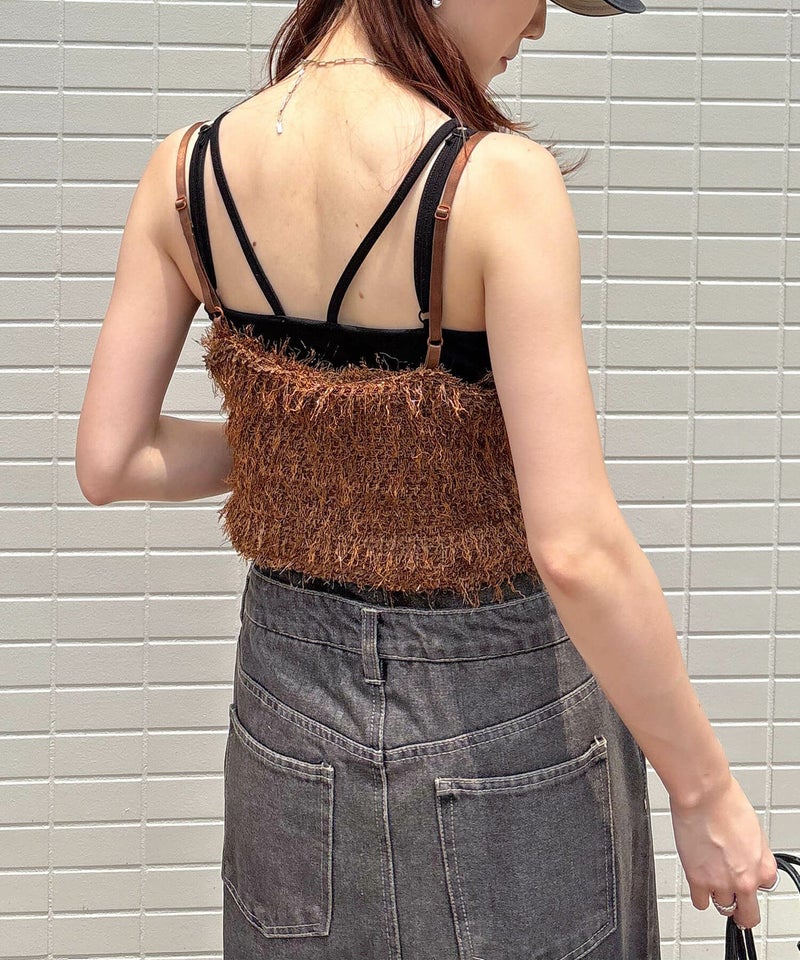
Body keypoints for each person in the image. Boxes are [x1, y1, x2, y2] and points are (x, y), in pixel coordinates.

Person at [75, 0, 780, 956]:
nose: (538, 26)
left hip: (287, 698)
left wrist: (327, 446)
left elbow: (111, 460)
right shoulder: (498, 181)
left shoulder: (186, 170)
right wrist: (705, 793)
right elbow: (575, 547)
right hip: (496, 703)